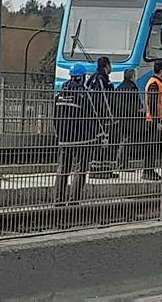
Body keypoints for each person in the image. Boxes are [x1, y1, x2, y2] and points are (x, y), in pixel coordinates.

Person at [53, 63, 107, 204]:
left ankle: (58, 200)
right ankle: (74, 201)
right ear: (82, 77)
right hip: (82, 140)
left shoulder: (59, 94)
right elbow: (92, 116)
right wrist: (100, 135)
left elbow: (54, 117)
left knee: (63, 169)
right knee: (80, 169)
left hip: (64, 139)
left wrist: (59, 134)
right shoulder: (83, 94)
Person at [86, 56, 117, 179]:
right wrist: (111, 116)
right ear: (107, 65)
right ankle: (100, 171)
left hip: (94, 116)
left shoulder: (92, 78)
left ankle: (102, 169)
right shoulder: (101, 79)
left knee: (100, 142)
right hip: (102, 116)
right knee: (104, 143)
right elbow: (104, 99)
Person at [113, 68, 143, 171]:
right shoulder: (132, 88)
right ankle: (122, 165)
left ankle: (122, 164)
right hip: (130, 118)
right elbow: (136, 105)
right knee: (127, 141)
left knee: (123, 140)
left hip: (120, 117)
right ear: (132, 77)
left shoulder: (119, 87)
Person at [143, 61, 162, 181]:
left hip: (153, 119)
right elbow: (152, 102)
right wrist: (157, 120)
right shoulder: (154, 83)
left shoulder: (155, 82)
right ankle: (148, 170)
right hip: (153, 120)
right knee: (151, 146)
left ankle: (149, 170)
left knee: (153, 146)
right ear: (161, 71)